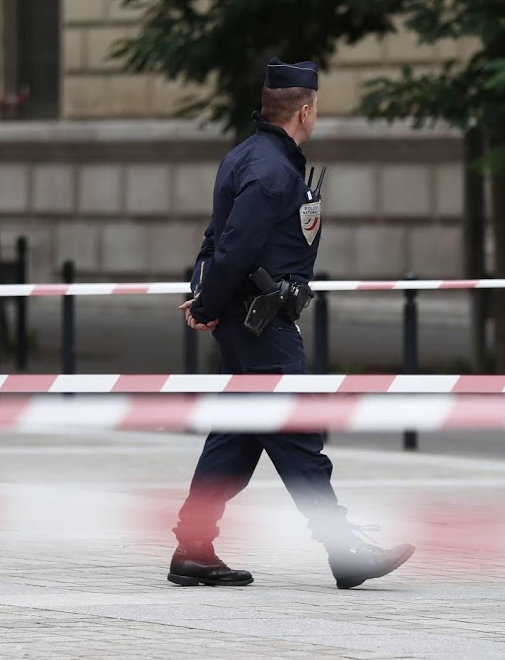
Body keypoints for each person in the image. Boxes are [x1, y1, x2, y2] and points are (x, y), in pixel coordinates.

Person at [170, 57, 415, 590]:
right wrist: (208, 302)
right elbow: (233, 247)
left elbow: (214, 239)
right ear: (305, 110)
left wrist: (203, 295)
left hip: (250, 322)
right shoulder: (273, 171)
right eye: (317, 108)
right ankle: (343, 546)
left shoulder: (247, 158)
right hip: (263, 326)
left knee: (236, 437)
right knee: (299, 435)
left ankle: (193, 546)